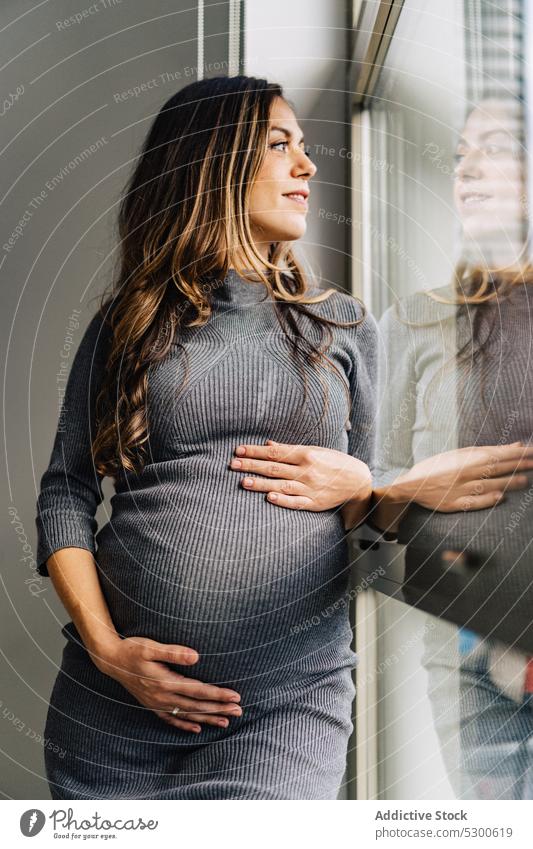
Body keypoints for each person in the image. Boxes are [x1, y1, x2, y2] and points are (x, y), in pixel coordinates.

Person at [35, 75, 379, 801]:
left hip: (284, 709)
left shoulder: (341, 326)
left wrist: (364, 486)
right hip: (115, 713)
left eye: (303, 148)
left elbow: (376, 514)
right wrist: (107, 649)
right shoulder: (127, 325)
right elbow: (66, 490)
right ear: (215, 162)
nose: (306, 165)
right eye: (281, 145)